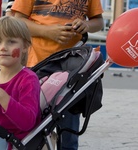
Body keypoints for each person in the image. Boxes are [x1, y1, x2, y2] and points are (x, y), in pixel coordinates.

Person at [10, 0, 104, 149]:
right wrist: (47, 32)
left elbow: (98, 22)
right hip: (37, 63)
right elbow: (17, 21)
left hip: (73, 66)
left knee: (69, 127)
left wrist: (86, 25)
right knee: (32, 123)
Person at [0, 16, 41, 150]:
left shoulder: (28, 80)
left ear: (25, 47)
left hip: (9, 142)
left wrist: (0, 94)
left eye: (11, 42)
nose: (3, 47)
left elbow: (27, 122)